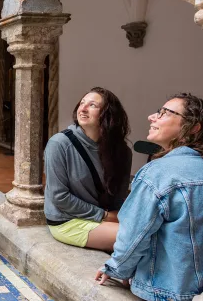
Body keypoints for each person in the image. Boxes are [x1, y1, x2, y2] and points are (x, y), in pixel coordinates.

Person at [95, 93, 203, 301]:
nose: (151, 117)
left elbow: (135, 233)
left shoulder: (158, 173)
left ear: (193, 128)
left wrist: (116, 268)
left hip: (165, 290)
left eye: (164, 113)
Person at [44, 87, 132, 252]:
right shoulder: (59, 144)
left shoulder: (122, 152)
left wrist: (117, 216)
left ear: (108, 114)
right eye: (82, 103)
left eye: (92, 105)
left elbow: (119, 196)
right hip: (68, 220)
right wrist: (104, 216)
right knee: (135, 235)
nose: (83, 109)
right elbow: (59, 197)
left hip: (105, 218)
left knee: (150, 230)